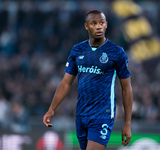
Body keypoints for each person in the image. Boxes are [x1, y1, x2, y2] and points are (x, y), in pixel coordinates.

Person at [43, 9, 133, 150]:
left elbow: (126, 88)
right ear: (86, 26)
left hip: (103, 115)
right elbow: (66, 82)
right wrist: (51, 109)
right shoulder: (78, 50)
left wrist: (127, 123)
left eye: (101, 23)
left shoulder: (116, 52)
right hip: (81, 114)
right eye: (94, 23)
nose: (98, 26)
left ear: (106, 25)